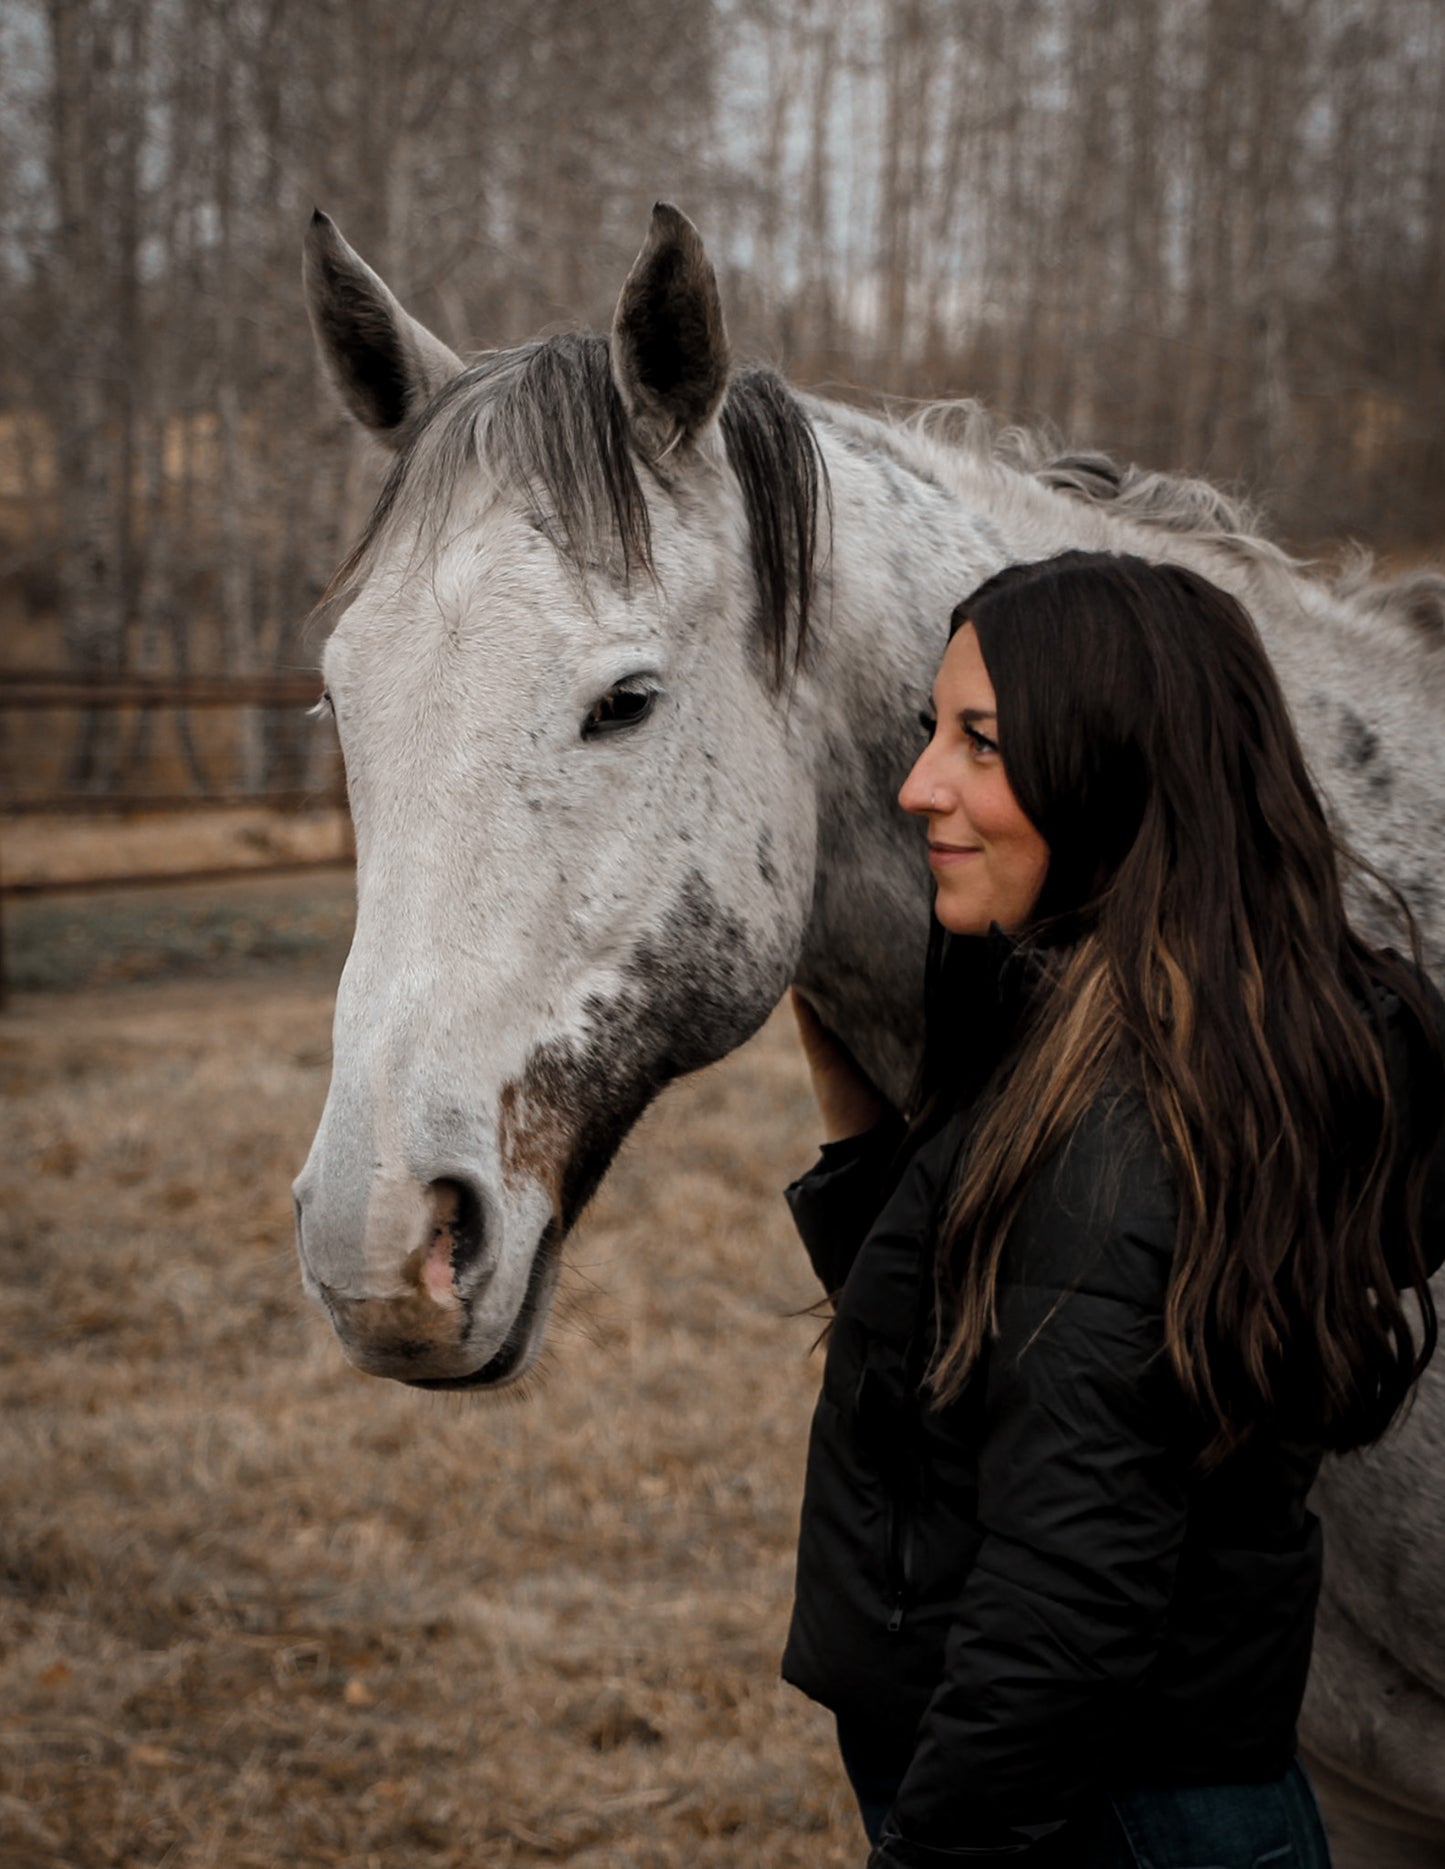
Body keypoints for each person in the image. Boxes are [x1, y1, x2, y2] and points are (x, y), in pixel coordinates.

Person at [781, 551, 1445, 1868]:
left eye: (980, 742)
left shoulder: (1127, 1124)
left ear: (1110, 764)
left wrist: (933, 1849)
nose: (920, 785)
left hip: (1091, 1816)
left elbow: (1063, 1607)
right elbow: (1013, 1368)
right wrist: (867, 1145)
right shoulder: (1175, 1039)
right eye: (932, 734)